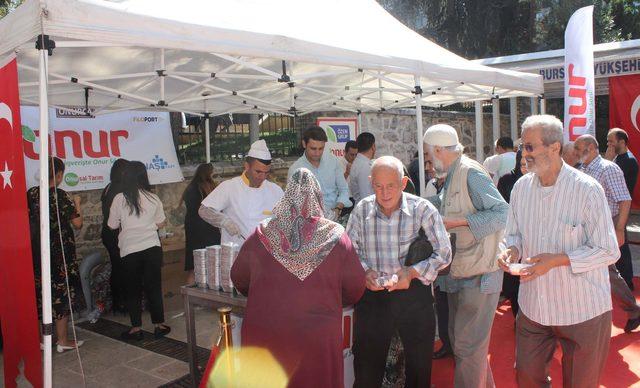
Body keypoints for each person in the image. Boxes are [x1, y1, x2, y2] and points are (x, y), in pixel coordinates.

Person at [499, 115, 620, 387]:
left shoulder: (587, 189)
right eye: (522, 146)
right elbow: (512, 234)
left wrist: (559, 260)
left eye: (530, 147)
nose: (523, 153)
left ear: (554, 147)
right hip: (534, 307)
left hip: (583, 309)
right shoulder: (521, 188)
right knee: (527, 377)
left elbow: (609, 250)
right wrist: (510, 251)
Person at [231, 168, 365, 388]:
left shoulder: (262, 234)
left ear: (287, 196)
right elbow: (355, 288)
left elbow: (239, 277)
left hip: (267, 335)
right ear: (318, 197)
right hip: (316, 338)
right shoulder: (336, 237)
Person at [346, 156, 452, 388]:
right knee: (366, 370)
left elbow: (444, 254)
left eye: (391, 186)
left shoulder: (423, 209)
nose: (384, 193)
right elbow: (350, 252)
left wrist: (412, 273)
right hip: (373, 298)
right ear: (371, 182)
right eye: (378, 186)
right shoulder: (361, 210)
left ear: (403, 183)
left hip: (413, 296)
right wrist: (365, 272)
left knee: (419, 369)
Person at [424, 124, 508, 388]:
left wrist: (456, 223)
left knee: (467, 346)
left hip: (480, 274)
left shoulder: (470, 172)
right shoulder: (452, 173)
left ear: (438, 150)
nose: (428, 160)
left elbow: (501, 214)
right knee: (467, 346)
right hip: (461, 273)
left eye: (429, 154)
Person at [574, 135, 640, 333]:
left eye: (579, 149)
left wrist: (619, 229)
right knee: (600, 270)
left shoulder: (608, 169)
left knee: (607, 271)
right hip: (587, 227)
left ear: (592, 148)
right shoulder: (584, 169)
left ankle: (632, 310)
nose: (576, 153)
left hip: (605, 225)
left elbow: (624, 200)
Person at [108, 161, 171, 340]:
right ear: (144, 176)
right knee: (153, 287)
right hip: (151, 247)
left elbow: (112, 225)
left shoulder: (119, 198)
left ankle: (136, 328)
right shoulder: (153, 198)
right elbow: (160, 223)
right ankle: (159, 324)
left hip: (129, 250)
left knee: (132, 289)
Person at [27, 156, 84, 353]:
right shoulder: (61, 196)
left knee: (40, 295)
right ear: (59, 175)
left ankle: (42, 340)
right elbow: (77, 223)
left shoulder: (31, 193)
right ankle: (62, 340)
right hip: (60, 255)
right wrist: (77, 203)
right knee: (61, 295)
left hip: (36, 253)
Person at [199, 140, 284, 246]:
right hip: (236, 253)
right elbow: (204, 210)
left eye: (266, 173)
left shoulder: (275, 191)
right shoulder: (230, 187)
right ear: (247, 166)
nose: (262, 177)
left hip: (265, 253)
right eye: (258, 172)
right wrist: (224, 222)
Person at [288, 126, 351, 221]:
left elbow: (344, 189)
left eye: (321, 148)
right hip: (309, 221)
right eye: (313, 149)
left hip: (335, 216)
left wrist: (338, 209)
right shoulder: (296, 169)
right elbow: (292, 201)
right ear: (304, 144)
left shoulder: (333, 161)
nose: (317, 153)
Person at [496, 148, 527, 318]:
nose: (526, 167)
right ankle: (518, 316)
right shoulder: (507, 180)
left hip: (532, 240)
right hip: (513, 235)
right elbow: (502, 208)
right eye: (523, 163)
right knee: (513, 284)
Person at [606, 127, 638, 289]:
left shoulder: (628, 161)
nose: (609, 145)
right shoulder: (619, 158)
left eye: (611, 141)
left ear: (622, 142)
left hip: (620, 210)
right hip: (613, 209)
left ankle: (627, 281)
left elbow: (616, 185)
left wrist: (607, 160)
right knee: (618, 245)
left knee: (621, 245)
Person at [181, 163, 221, 284]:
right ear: (209, 173)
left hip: (192, 227)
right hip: (207, 227)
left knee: (193, 265)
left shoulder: (189, 188)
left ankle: (191, 297)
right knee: (213, 264)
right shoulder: (208, 187)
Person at [101, 158, 129, 313]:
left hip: (108, 232)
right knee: (121, 269)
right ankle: (121, 302)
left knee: (117, 267)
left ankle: (118, 302)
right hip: (115, 233)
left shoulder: (108, 187)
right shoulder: (119, 189)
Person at [349, 132, 376, 204]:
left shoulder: (359, 162)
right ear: (373, 146)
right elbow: (367, 197)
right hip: (366, 211)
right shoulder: (365, 166)